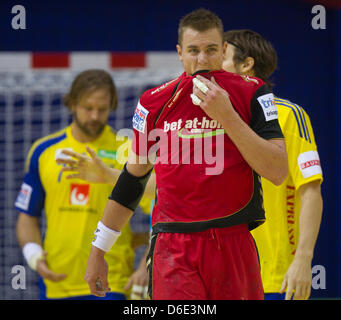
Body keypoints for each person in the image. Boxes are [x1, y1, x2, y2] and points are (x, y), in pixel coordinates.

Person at [82, 9, 288, 300]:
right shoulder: (153, 103)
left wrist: (226, 116)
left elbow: (278, 170)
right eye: (193, 51)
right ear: (180, 52)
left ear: (223, 50)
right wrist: (98, 251)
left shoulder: (253, 92)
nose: (202, 60)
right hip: (173, 247)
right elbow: (133, 180)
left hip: (233, 243)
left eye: (210, 50)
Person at [15, 69, 151, 300]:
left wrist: (145, 266)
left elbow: (160, 213)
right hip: (57, 283)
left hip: (110, 283)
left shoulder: (129, 151)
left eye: (102, 109)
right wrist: (34, 256)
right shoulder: (44, 151)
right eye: (88, 108)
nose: (95, 116)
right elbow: (27, 216)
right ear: (72, 103)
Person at [223, 29, 323, 300]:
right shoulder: (213, 121)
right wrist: (115, 177)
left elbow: (311, 191)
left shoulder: (289, 115)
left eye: (221, 56)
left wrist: (303, 259)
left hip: (275, 280)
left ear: (246, 64)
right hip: (221, 280)